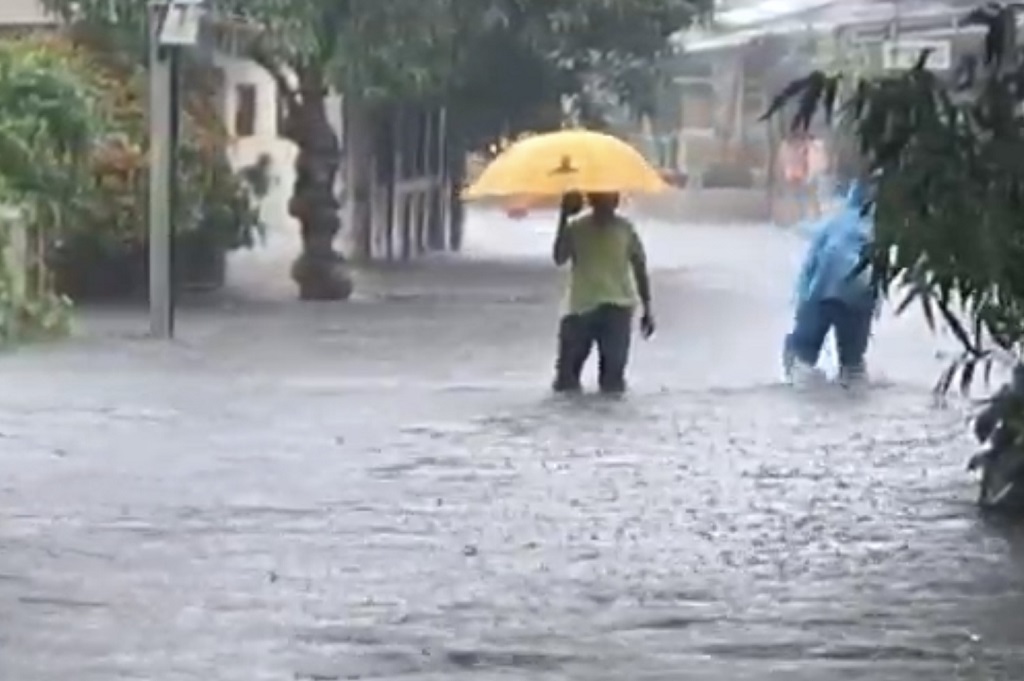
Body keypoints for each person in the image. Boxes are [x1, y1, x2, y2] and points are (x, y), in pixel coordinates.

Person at [551, 191, 655, 394]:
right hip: (580, 308)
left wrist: (647, 309)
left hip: (617, 308)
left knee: (613, 380)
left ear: (616, 201)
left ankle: (609, 415)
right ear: (591, 200)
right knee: (566, 379)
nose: (607, 202)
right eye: (601, 197)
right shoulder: (577, 229)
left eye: (611, 197)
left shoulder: (625, 229)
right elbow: (559, 258)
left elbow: (639, 268)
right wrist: (563, 215)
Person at [783, 179, 877, 385]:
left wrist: (802, 297)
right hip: (860, 295)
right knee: (853, 364)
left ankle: (798, 380)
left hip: (824, 291)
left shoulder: (836, 223)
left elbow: (812, 263)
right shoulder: (876, 229)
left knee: (802, 355)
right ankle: (853, 385)